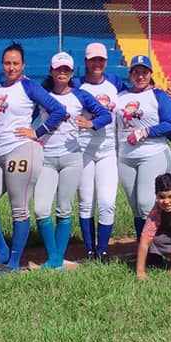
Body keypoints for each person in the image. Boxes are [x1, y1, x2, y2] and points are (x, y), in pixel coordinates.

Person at [0, 43, 66, 275]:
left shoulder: (28, 86)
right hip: (0, 153)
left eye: (16, 63)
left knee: (18, 209)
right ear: (2, 64)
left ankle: (13, 263)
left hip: (23, 150)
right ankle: (2, 252)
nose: (11, 67)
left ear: (23, 65)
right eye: (7, 63)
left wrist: (38, 132)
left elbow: (58, 110)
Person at [34, 52, 111, 269]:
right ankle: (55, 256)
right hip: (46, 158)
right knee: (41, 209)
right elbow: (26, 116)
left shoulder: (81, 95)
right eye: (58, 69)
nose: (62, 73)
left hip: (72, 157)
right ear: (51, 71)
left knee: (64, 209)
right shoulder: (42, 94)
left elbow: (106, 115)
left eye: (66, 70)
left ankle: (55, 260)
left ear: (71, 72)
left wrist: (91, 124)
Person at [116, 55, 171, 240]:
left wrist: (146, 131)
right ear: (130, 75)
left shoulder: (158, 95)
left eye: (144, 72)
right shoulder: (121, 96)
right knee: (135, 206)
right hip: (126, 156)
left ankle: (162, 246)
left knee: (146, 203)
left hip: (153, 153)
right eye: (136, 72)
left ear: (150, 74)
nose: (140, 76)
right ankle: (143, 247)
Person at [73, 42, 122, 260]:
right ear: (85, 62)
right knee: (85, 202)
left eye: (100, 60)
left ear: (105, 61)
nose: (97, 64)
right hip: (82, 149)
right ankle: (89, 250)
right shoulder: (77, 85)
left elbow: (140, 90)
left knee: (107, 201)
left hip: (107, 149)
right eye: (93, 60)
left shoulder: (114, 83)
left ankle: (102, 250)